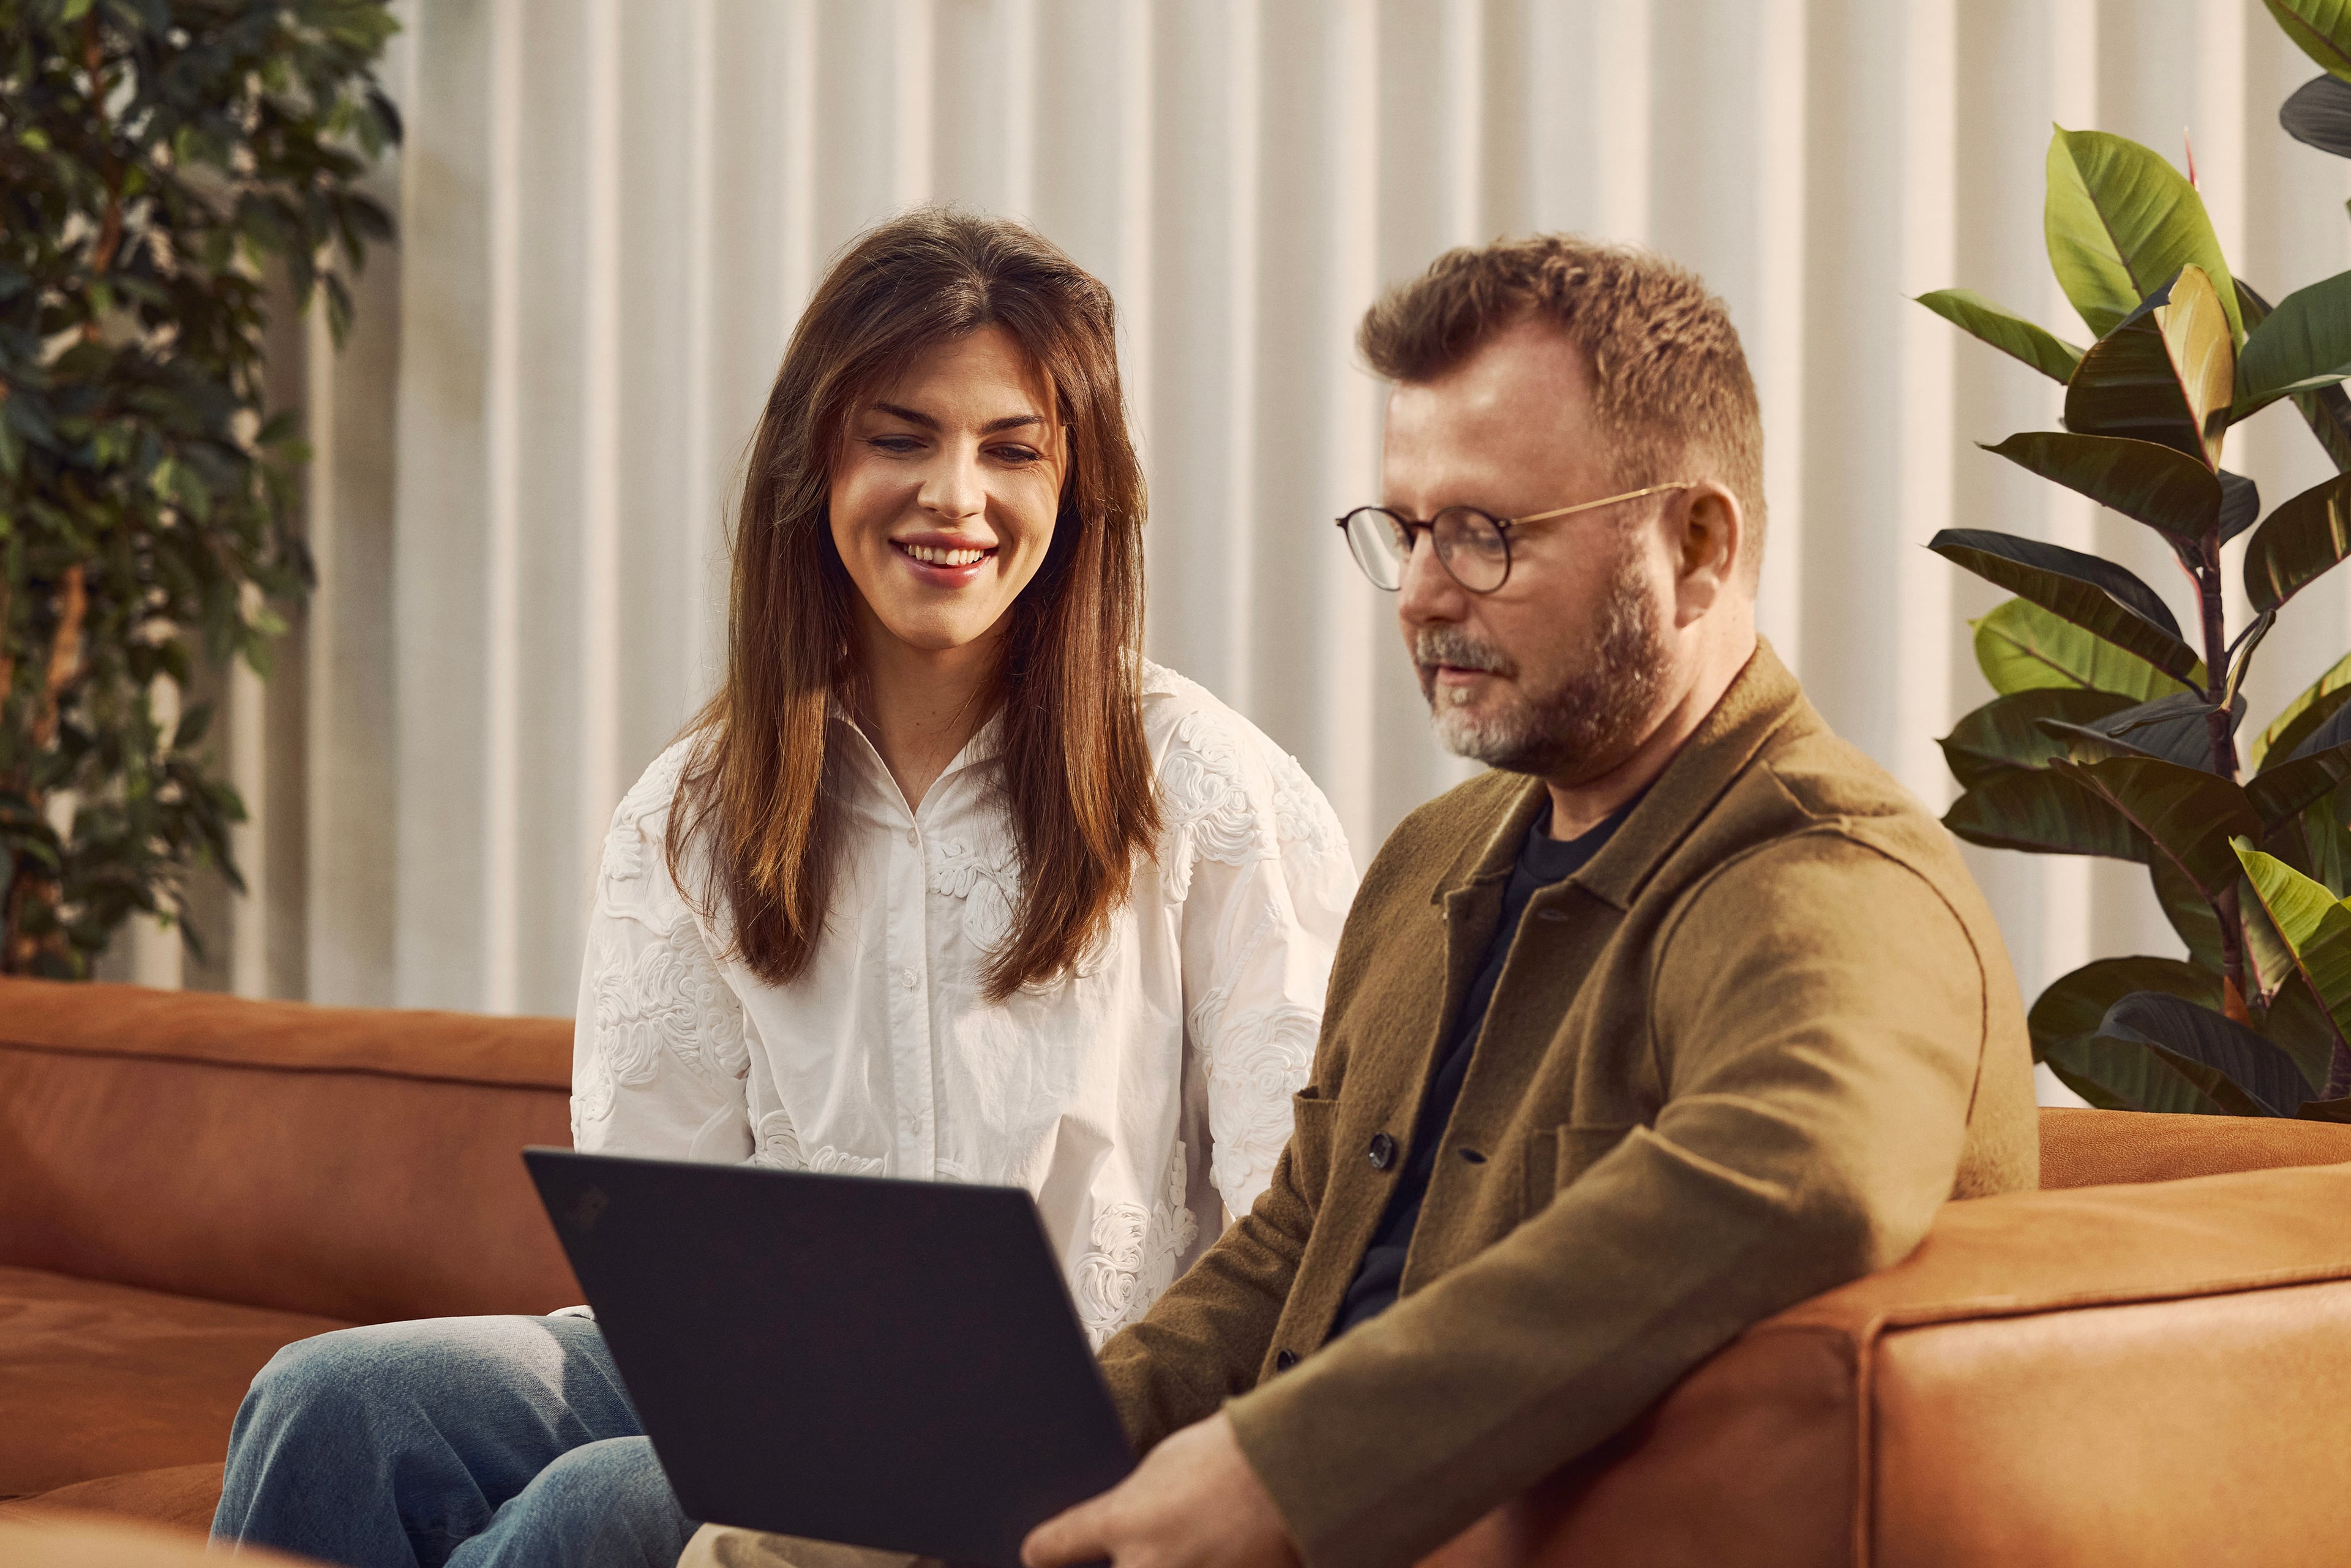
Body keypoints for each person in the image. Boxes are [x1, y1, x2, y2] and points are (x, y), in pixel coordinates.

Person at [688, 234, 2039, 1568]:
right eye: (1406, 530)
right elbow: (1286, 1256)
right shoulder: (1438, 860)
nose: (1426, 594)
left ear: (1695, 545)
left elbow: (1802, 1173)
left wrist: (1278, 1474)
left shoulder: (1831, 874)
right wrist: (950, 1508)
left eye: (1488, 535)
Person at [207, 209, 1357, 1568]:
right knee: (327, 1401)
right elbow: (665, 1240)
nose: (956, 496)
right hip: (780, 1393)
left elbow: (1307, 1215)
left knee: (604, 1507)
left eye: (1012, 450)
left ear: (1077, 489)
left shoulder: (1210, 792)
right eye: (901, 437)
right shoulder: (694, 813)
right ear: (816, 463)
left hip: (1083, 1427)